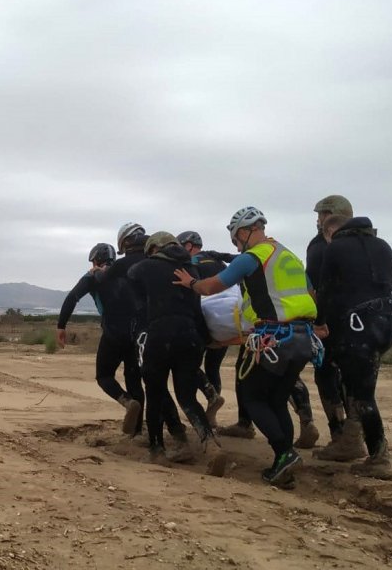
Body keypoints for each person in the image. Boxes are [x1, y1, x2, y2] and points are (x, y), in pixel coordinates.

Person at [174, 207, 319, 488]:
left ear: (243, 232)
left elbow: (211, 287)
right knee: (276, 401)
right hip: (302, 337)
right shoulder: (288, 255)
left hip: (273, 338)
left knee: (253, 399)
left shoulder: (252, 257)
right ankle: (282, 460)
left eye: (235, 241)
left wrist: (190, 282)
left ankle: (285, 454)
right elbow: (311, 292)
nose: (237, 246)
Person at [128, 232, 227, 476]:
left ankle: (157, 450)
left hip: (160, 334)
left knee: (156, 392)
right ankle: (211, 446)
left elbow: (131, 275)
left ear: (154, 249)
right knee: (187, 396)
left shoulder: (146, 267)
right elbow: (197, 309)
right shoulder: (190, 272)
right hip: (190, 337)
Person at [316, 213, 392, 479]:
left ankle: (379, 457)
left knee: (362, 394)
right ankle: (356, 442)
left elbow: (325, 289)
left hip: (359, 324)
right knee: (362, 383)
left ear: (331, 232)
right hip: (388, 321)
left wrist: (320, 322)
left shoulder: (336, 247)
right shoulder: (383, 244)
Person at [97, 222, 188, 442]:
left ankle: (139, 427)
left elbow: (99, 283)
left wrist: (98, 273)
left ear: (124, 242)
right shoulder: (156, 263)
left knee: (111, 376)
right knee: (153, 383)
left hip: (128, 332)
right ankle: (176, 430)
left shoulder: (122, 266)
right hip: (157, 329)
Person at [56, 243, 143, 433]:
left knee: (104, 376)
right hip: (137, 333)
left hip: (113, 333)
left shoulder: (93, 276)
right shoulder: (127, 271)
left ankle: (128, 403)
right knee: (134, 379)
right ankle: (137, 433)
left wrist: (61, 326)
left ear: (95, 260)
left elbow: (72, 298)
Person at [309, 195, 367, 461]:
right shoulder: (366, 241)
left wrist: (316, 320)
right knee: (355, 379)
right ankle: (357, 436)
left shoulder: (321, 245)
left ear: (331, 215)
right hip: (364, 321)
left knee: (325, 376)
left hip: (331, 322)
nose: (318, 221)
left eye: (321, 215)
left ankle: (340, 437)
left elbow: (317, 288)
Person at [176, 231, 229, 427]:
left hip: (202, 321)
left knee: (188, 365)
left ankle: (208, 396)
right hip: (225, 323)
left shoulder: (190, 266)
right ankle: (212, 411)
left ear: (189, 246)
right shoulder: (218, 262)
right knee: (213, 366)